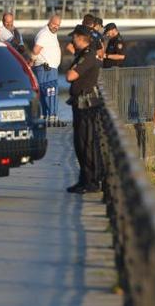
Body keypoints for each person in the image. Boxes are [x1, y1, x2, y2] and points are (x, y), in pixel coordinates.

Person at [65, 25, 105, 194]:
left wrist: (71, 68)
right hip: (80, 103)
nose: (71, 40)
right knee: (80, 144)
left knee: (87, 143)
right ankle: (84, 179)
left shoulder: (88, 55)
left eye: (73, 37)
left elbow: (70, 76)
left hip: (87, 106)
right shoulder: (83, 54)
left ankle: (92, 181)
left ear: (81, 38)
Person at [30, 14, 62, 124]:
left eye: (58, 25)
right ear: (49, 22)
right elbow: (35, 50)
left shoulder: (51, 33)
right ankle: (52, 117)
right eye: (54, 24)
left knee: (46, 92)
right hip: (46, 68)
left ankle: (45, 115)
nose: (55, 27)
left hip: (49, 68)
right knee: (50, 91)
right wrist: (32, 61)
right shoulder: (44, 34)